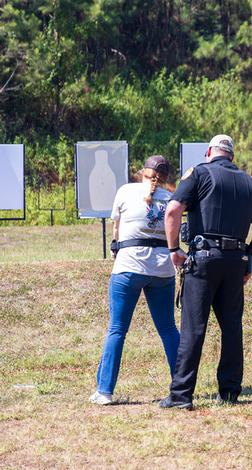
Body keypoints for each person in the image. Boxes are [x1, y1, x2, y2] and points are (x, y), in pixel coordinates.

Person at [159, 135, 252, 409]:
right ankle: (230, 393)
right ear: (232, 155)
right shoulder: (249, 182)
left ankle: (181, 395)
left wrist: (174, 249)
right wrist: (249, 266)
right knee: (232, 328)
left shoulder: (198, 173)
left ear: (210, 152)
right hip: (235, 262)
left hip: (204, 259)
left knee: (194, 328)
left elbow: (173, 210)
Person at [90, 155, 180, 405]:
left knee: (117, 329)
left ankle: (105, 391)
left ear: (143, 172)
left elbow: (117, 234)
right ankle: (182, 386)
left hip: (129, 267)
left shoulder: (126, 190)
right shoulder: (172, 199)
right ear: (166, 178)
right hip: (162, 271)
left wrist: (115, 251)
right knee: (169, 329)